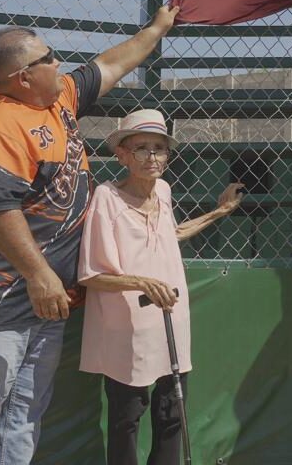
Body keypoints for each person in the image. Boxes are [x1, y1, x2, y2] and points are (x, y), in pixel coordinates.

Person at [0, 7, 179, 465]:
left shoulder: (56, 99)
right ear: (23, 76)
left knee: (23, 415)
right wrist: (40, 276)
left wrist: (159, 27)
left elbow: (111, 64)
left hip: (45, 297)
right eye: (49, 57)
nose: (59, 64)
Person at [78, 109, 243, 465]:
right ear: (122, 155)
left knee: (172, 411)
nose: (151, 157)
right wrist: (141, 282)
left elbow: (173, 232)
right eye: (141, 149)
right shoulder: (107, 198)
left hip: (171, 318)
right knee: (127, 417)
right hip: (128, 327)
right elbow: (91, 274)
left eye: (159, 148)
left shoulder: (164, 191)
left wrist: (219, 212)